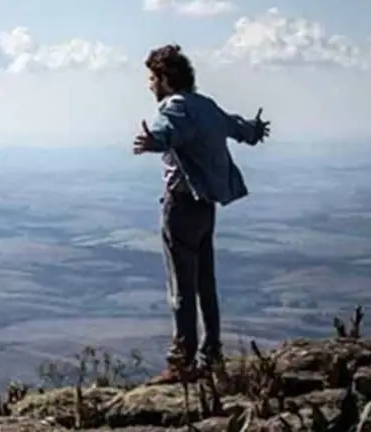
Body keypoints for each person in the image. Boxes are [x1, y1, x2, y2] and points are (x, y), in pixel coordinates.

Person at [132, 44, 270, 384]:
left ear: (165, 78)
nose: (149, 85)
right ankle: (212, 354)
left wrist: (155, 141)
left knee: (181, 286)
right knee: (205, 283)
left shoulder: (176, 107)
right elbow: (237, 127)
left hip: (181, 206)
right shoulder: (205, 105)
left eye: (152, 78)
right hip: (206, 206)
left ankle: (183, 360)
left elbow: (170, 131)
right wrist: (254, 129)